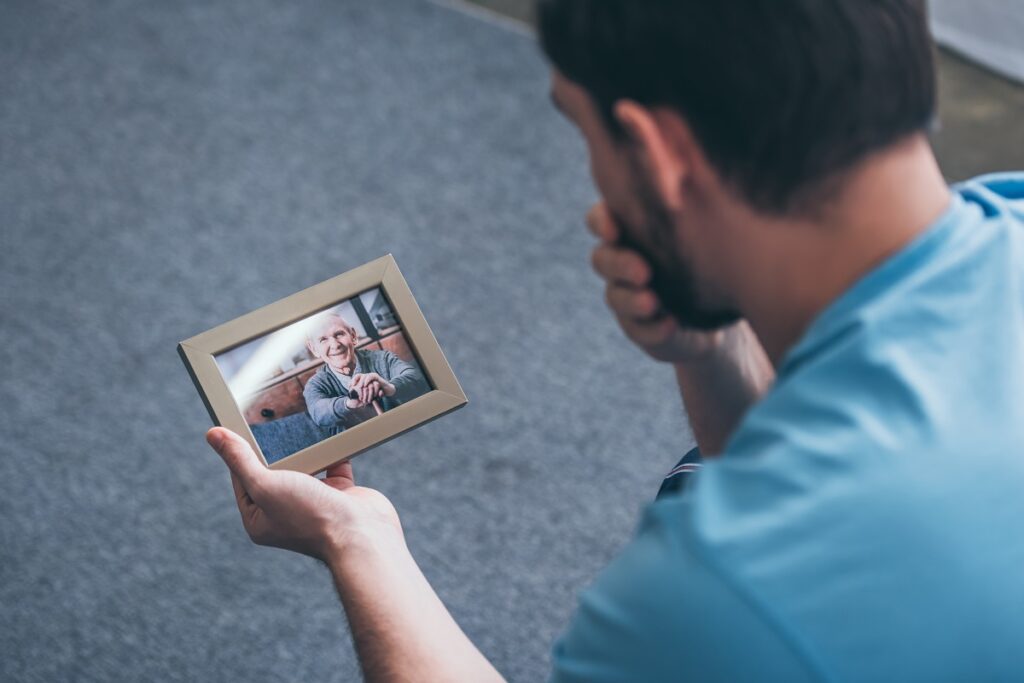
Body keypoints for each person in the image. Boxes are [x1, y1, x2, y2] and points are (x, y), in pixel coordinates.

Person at [205, 0, 1024, 680]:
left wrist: (356, 542)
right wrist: (715, 350)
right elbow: (816, 456)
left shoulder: (723, 594)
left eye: (584, 129)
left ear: (661, 155)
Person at [302, 313, 428, 431]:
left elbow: (416, 377)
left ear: (353, 336)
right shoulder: (315, 385)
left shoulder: (382, 359)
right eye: (323, 339)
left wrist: (388, 387)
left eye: (339, 334)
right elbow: (318, 413)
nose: (335, 345)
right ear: (314, 349)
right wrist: (349, 402)